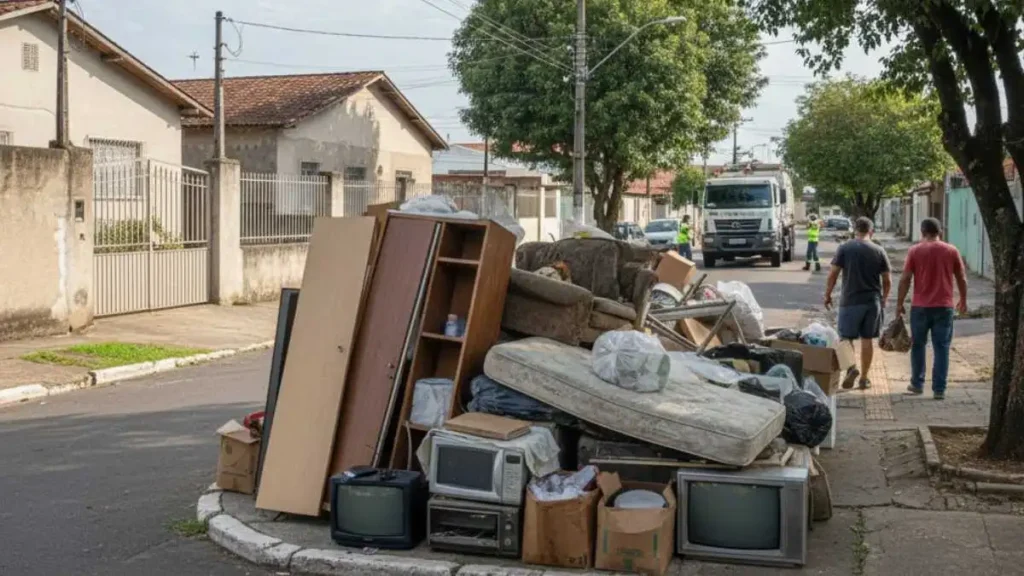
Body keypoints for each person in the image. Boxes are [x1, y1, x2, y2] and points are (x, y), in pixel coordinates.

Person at [896, 217, 968, 400]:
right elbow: (961, 277)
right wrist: (963, 300)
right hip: (944, 307)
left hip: (920, 307)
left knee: (918, 345)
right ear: (940, 232)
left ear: (922, 232)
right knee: (941, 347)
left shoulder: (915, 250)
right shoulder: (951, 250)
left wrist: (899, 303)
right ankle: (939, 389)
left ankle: (917, 384)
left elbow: (905, 279)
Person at [824, 217, 891, 389]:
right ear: (871, 231)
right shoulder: (879, 250)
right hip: (872, 302)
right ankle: (864, 378)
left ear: (855, 230)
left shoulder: (845, 248)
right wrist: (884, 298)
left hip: (850, 301)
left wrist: (828, 294)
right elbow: (887, 280)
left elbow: (833, 274)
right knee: (867, 340)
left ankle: (851, 368)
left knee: (845, 339)